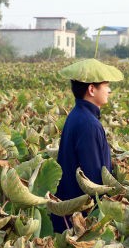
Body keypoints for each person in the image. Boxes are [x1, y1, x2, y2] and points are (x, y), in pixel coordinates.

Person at [52, 59, 124, 233]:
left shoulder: (77, 115)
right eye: (105, 85)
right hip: (80, 217)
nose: (109, 90)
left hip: (70, 211)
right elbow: (91, 177)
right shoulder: (88, 124)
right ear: (92, 89)